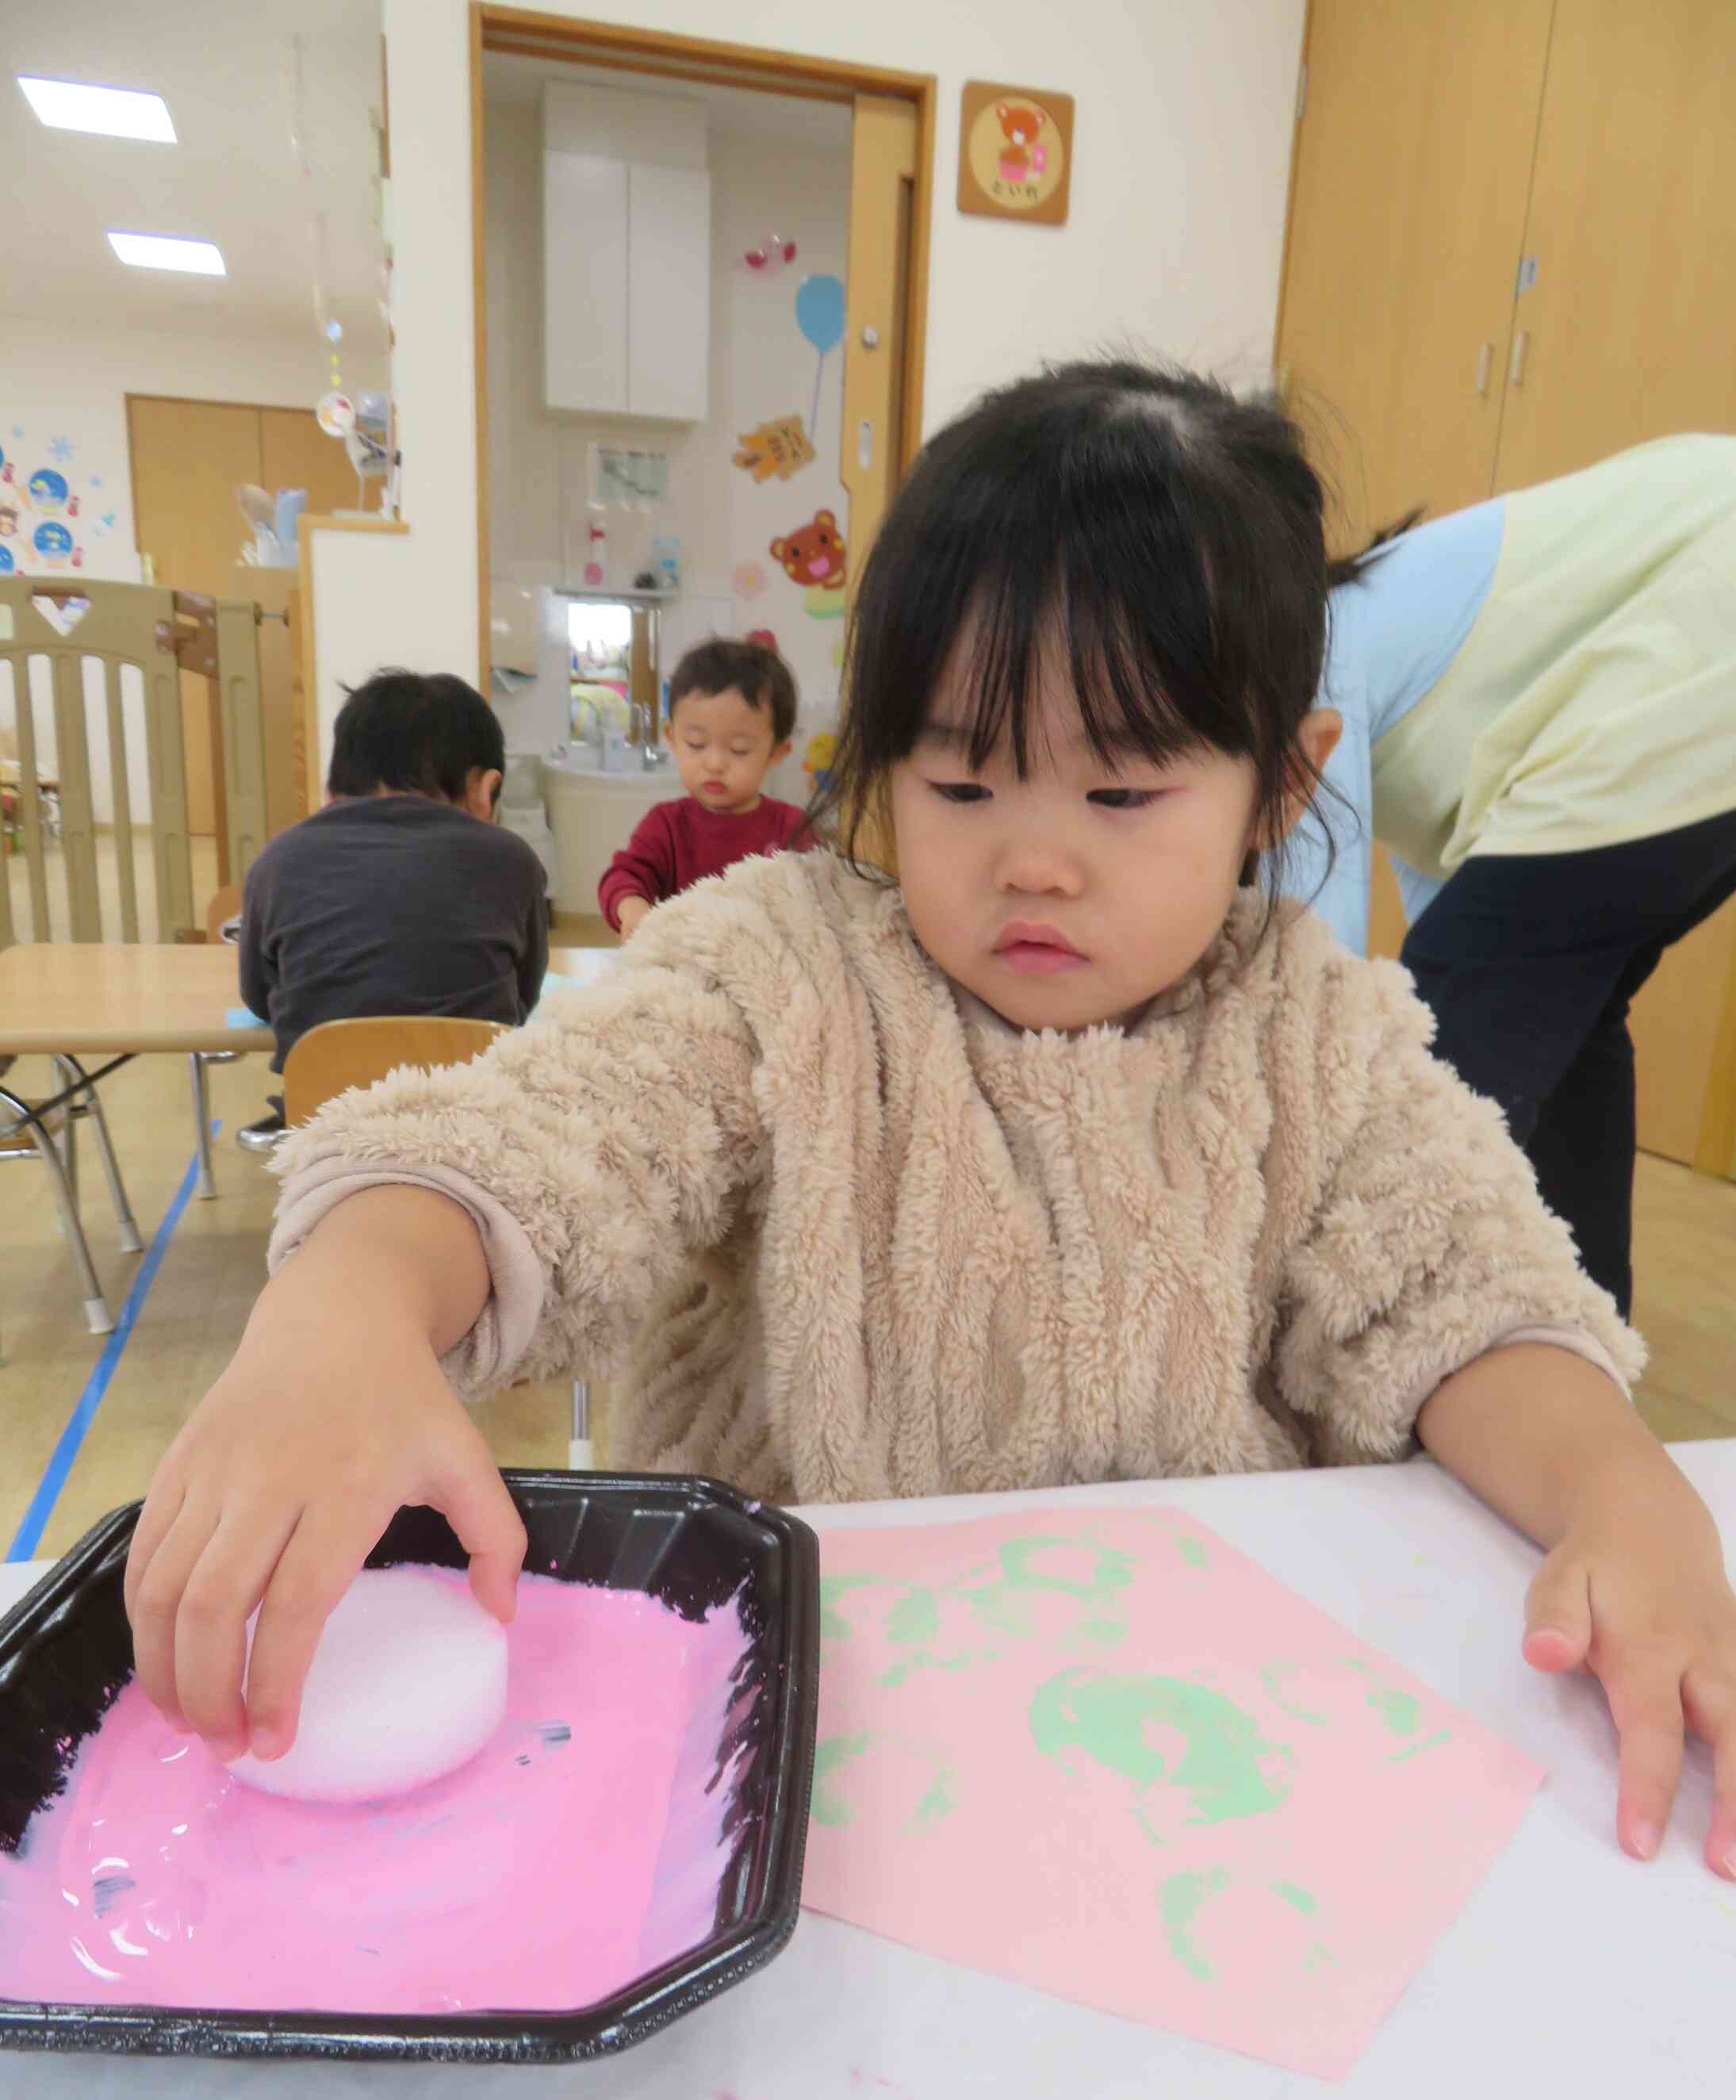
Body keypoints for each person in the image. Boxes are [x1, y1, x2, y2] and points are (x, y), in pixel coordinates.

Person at [129, 362, 1736, 1880]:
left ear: (1275, 786)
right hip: (807, 1755)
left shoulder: (1308, 1025)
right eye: (959, 784)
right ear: (874, 766)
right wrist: (344, 1308)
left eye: (1119, 796)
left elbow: (1460, 1298)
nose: (1033, 859)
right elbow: (538, 1145)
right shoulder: (776, 964)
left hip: (1191, 1760)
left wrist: (1613, 1487)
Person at [1287, 435, 1736, 1317]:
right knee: (1554, 1026)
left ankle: (1372, 1383)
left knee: (1431, 1082)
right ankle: (1584, 1327)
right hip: (1690, 646)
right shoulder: (1381, 634)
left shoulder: (1294, 660)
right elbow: (1458, 903)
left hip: (1699, 636)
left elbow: (1312, 971)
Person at [235, 669, 548, 1148]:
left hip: (328, 1132)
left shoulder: (276, 863)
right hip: (476, 1131)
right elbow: (523, 1000)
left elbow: (259, 999)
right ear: (485, 791)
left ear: (330, 792)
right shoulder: (513, 862)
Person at [598, 638, 807, 937]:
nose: (715, 763)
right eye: (696, 744)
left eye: (739, 749)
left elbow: (820, 901)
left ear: (776, 753)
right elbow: (624, 875)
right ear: (672, 738)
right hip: (685, 965)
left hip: (765, 970)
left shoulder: (793, 828)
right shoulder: (666, 825)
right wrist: (631, 906)